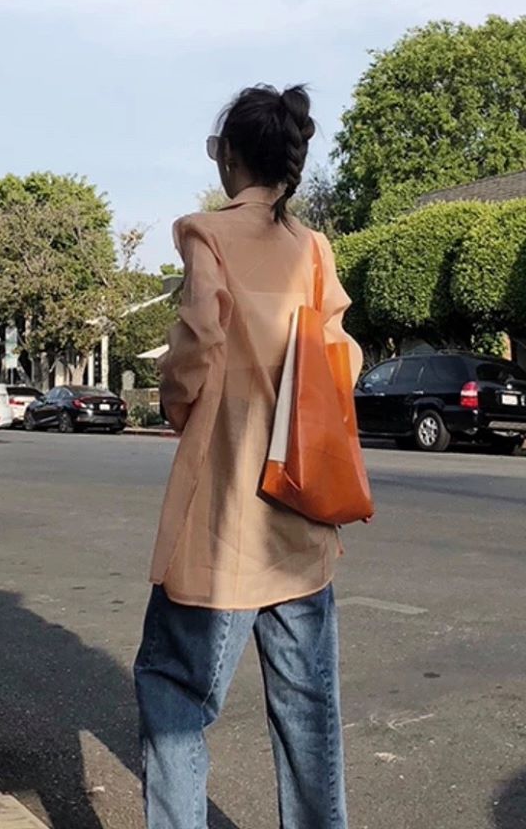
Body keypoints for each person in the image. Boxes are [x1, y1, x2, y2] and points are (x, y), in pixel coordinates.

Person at [134, 84, 363, 829]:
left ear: (230, 157)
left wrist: (177, 403)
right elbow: (343, 358)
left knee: (174, 692)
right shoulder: (314, 249)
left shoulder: (207, 234)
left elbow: (196, 347)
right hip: (300, 511)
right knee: (308, 710)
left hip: (224, 518)